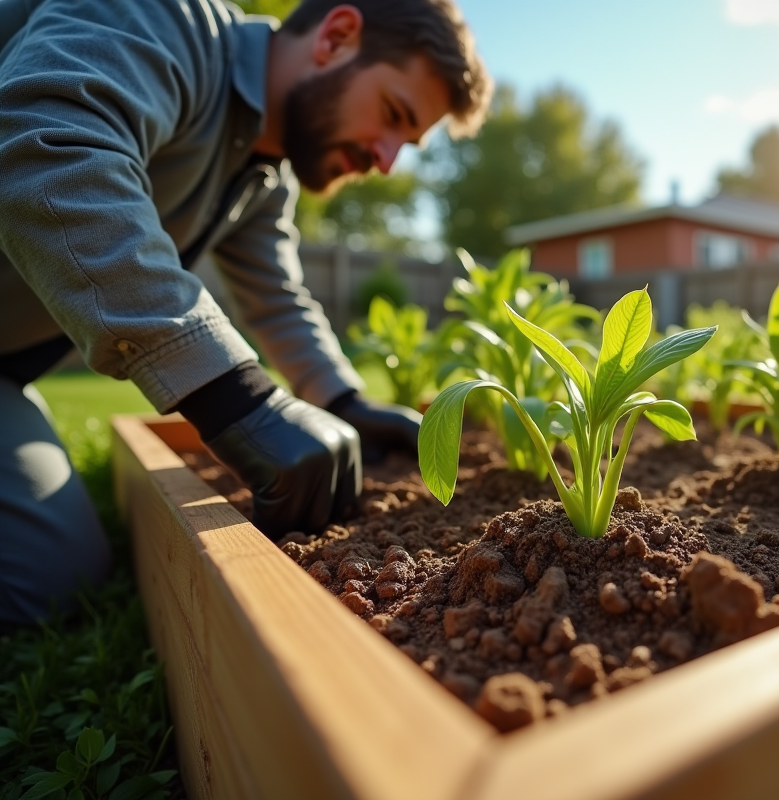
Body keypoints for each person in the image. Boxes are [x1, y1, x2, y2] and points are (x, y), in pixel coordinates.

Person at [0, 0, 492, 627]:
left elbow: (277, 297)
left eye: (408, 142)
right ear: (336, 37)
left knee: (55, 581)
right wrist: (236, 402)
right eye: (393, 115)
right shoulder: (162, 21)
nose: (388, 158)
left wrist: (344, 402)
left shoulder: (263, 174)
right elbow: (47, 143)